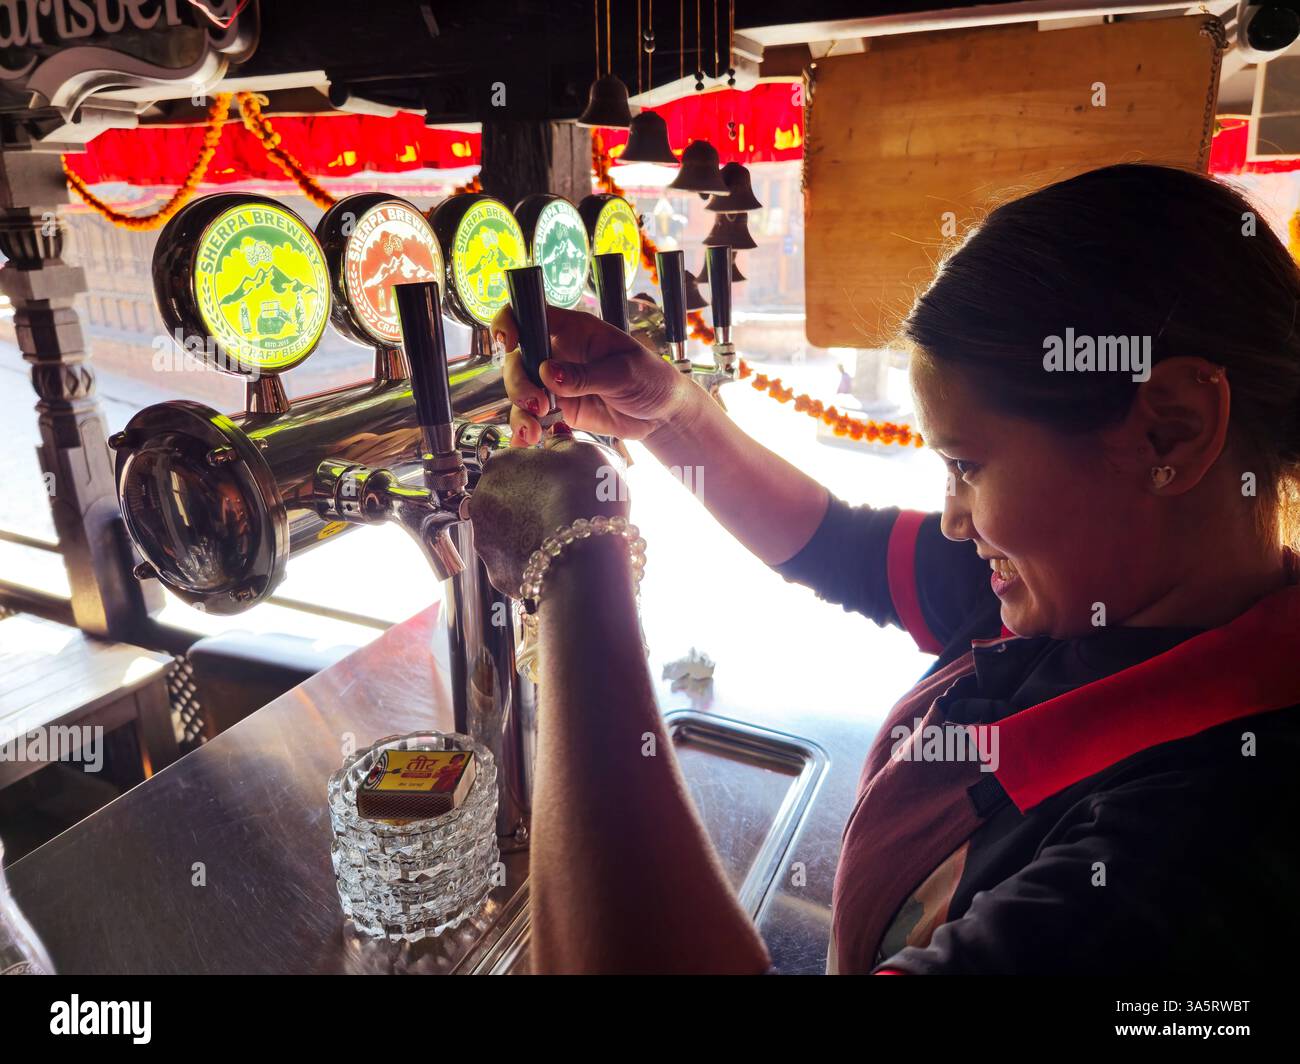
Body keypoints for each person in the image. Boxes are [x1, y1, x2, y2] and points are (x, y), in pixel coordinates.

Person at [467, 163, 1300, 974]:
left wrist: (574, 557)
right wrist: (670, 414)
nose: (954, 518)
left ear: (1171, 435)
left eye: (967, 465)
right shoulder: (1101, 587)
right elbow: (838, 546)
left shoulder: (1193, 862)